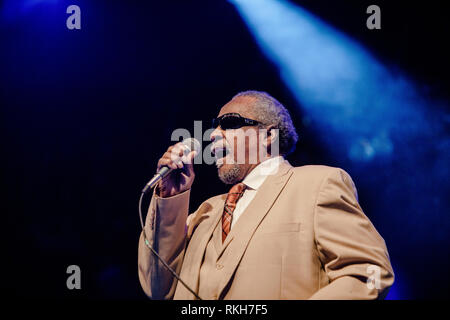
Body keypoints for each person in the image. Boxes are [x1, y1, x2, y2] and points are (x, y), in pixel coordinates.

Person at [138, 90, 394, 300]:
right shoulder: (205, 213)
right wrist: (170, 198)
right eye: (214, 127)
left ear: (268, 135)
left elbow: (369, 272)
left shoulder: (317, 184)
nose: (213, 134)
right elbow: (156, 287)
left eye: (229, 123)